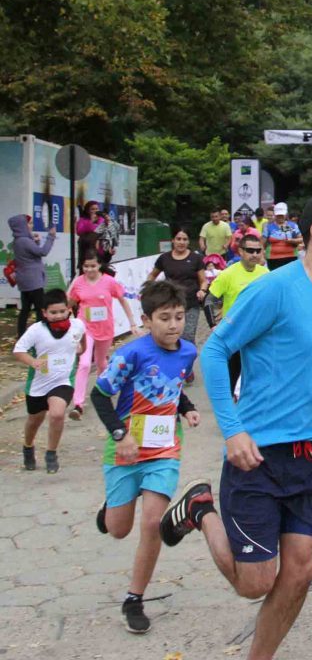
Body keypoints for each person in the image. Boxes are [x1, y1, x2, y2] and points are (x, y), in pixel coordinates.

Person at [159, 191, 312, 660]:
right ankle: (202, 508)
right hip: (260, 455)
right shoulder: (273, 289)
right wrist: (232, 430)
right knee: (256, 583)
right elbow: (213, 350)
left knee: (301, 572)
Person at [90, 281, 201, 634]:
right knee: (117, 530)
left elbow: (175, 384)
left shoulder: (187, 352)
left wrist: (187, 408)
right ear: (146, 319)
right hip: (126, 447)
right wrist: (119, 435)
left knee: (152, 523)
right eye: (164, 318)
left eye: (179, 317)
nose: (173, 325)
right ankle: (109, 510)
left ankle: (134, 598)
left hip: (165, 447)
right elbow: (98, 395)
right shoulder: (131, 354)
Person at [13, 288, 85, 473]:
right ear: (44, 313)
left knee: (57, 414)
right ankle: (28, 447)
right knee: (35, 420)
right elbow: (18, 350)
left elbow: (81, 340)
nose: (58, 315)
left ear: (68, 310)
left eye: (62, 311)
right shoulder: (36, 330)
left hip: (63, 380)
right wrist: (33, 361)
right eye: (53, 312)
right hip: (39, 383)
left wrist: (80, 350)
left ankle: (51, 453)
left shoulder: (77, 325)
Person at [69, 251, 140, 420]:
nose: (89, 269)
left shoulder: (109, 282)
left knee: (102, 363)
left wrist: (132, 323)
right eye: (86, 266)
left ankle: (104, 391)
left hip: (105, 328)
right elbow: (69, 303)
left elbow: (123, 301)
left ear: (99, 265)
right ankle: (78, 404)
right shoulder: (78, 283)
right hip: (85, 327)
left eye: (93, 266)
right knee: (85, 363)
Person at [202, 235, 269, 390]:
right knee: (233, 374)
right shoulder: (228, 274)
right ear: (240, 251)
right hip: (235, 333)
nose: (255, 254)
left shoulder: (265, 273)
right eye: (250, 250)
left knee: (258, 374)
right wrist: (213, 325)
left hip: (259, 333)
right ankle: (229, 405)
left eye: (258, 251)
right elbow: (209, 300)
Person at [147, 227, 206, 344]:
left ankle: (187, 361)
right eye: (178, 239)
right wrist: (150, 289)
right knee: (171, 336)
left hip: (191, 304)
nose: (181, 242)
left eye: (185, 239)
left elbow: (203, 280)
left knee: (187, 337)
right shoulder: (164, 258)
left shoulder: (196, 258)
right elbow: (152, 276)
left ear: (188, 242)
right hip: (170, 304)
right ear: (173, 240)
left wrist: (202, 290)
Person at [8, 214, 56, 337]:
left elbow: (31, 254)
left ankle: (21, 334)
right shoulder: (24, 241)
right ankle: (40, 334)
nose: (31, 226)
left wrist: (36, 241)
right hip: (33, 280)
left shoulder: (18, 241)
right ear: (22, 226)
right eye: (28, 223)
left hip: (24, 280)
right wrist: (50, 237)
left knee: (25, 309)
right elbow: (42, 252)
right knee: (41, 309)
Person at [262, 203, 302, 270]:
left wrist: (292, 241)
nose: (280, 217)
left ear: (286, 214)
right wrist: (262, 255)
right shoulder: (268, 227)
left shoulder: (293, 225)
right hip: (272, 259)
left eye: (282, 215)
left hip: (291, 257)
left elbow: (301, 239)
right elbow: (261, 243)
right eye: (278, 215)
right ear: (275, 214)